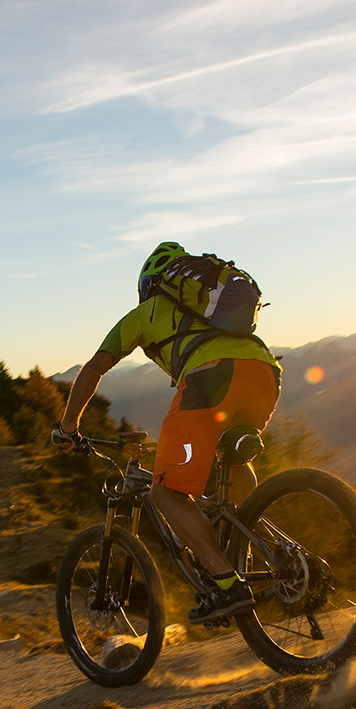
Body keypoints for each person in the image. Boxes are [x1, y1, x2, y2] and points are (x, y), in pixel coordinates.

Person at [52, 241, 282, 624]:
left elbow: (94, 369)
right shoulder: (213, 303)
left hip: (211, 378)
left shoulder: (145, 313)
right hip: (264, 371)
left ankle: (227, 584)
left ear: (148, 285)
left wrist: (68, 427)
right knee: (232, 458)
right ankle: (273, 551)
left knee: (165, 491)